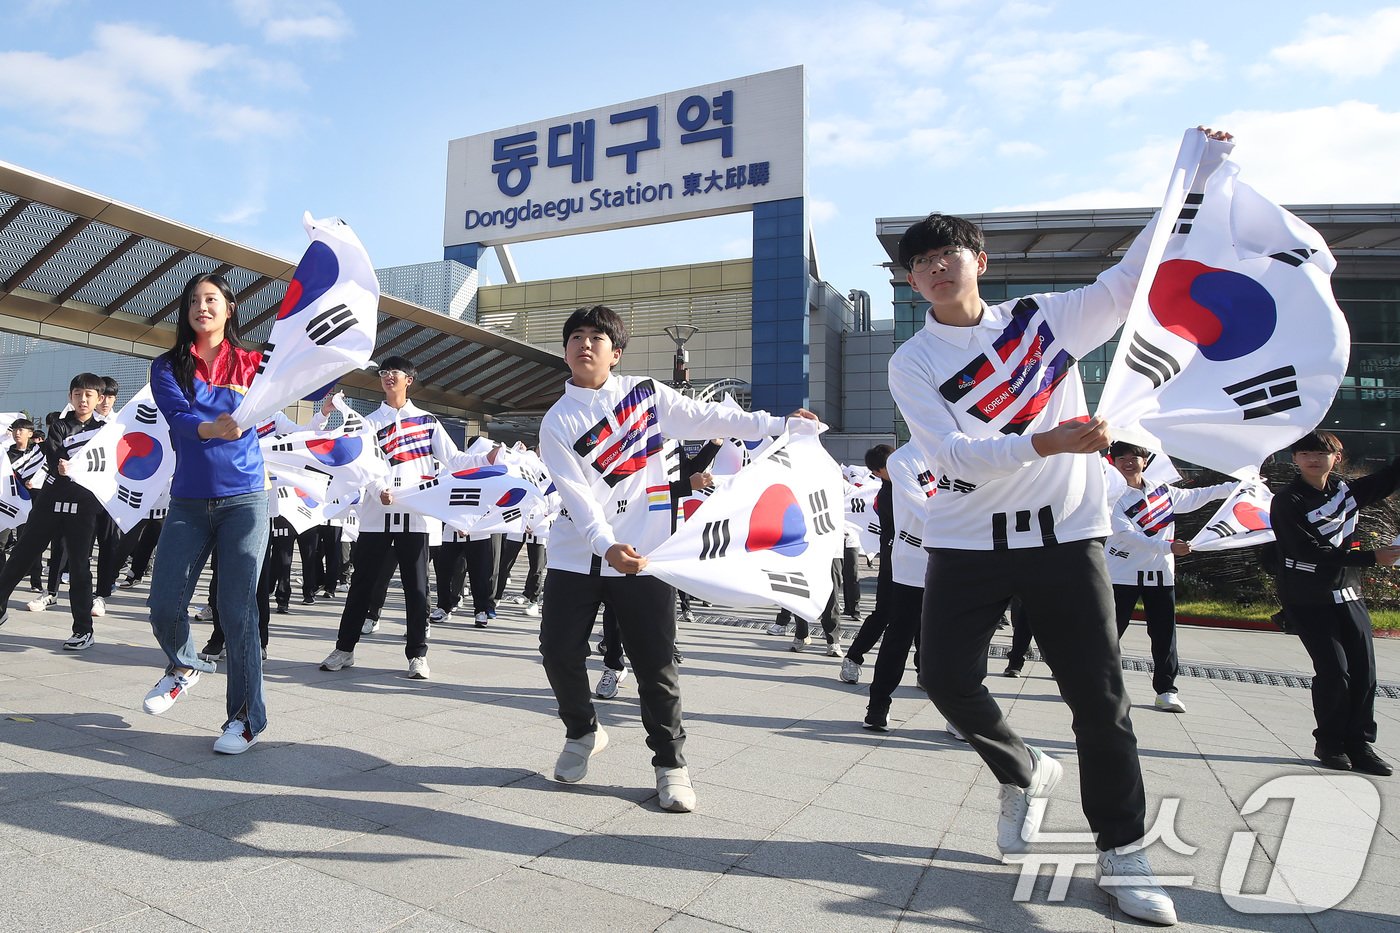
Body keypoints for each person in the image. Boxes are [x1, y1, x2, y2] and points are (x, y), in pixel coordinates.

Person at [885, 131, 1232, 927]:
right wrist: (1045, 439)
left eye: (952, 254)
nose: (939, 267)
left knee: (1099, 699)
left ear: (981, 262)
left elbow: (1132, 277)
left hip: (1067, 536)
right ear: (911, 280)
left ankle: (1123, 850)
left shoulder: (1046, 320)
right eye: (923, 261)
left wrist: (1195, 178)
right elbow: (953, 456)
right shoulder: (912, 362)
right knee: (944, 677)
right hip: (969, 539)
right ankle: (1023, 769)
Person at [538, 304, 819, 813]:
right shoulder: (556, 421)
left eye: (595, 338)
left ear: (615, 353)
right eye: (575, 337)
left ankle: (671, 764)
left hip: (648, 555)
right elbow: (576, 498)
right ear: (565, 350)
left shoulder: (644, 395)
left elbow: (711, 417)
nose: (584, 345)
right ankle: (583, 732)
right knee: (558, 653)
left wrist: (778, 423)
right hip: (579, 554)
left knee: (655, 666)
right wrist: (605, 545)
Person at [140, 271, 271, 755]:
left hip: (246, 500)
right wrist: (214, 429)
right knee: (162, 603)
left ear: (230, 308)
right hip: (189, 501)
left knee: (238, 613)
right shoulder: (169, 365)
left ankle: (244, 720)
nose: (203, 306)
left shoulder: (257, 362)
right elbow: (177, 418)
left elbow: (309, 374)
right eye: (194, 300)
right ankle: (183, 665)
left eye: (212, 299)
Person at [318, 355, 493, 680]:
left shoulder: (427, 422)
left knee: (417, 590)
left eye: (394, 372)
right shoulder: (369, 423)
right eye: (384, 372)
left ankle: (417, 654)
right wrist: (379, 489)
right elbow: (363, 466)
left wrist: (488, 458)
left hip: (416, 518)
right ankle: (345, 648)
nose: (387, 377)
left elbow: (455, 459)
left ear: (409, 379)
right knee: (362, 586)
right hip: (376, 518)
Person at [1270, 431, 1397, 777]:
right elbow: (1304, 550)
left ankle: (1360, 744)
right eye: (1305, 452)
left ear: (1336, 458)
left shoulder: (1346, 492)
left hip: (1348, 594)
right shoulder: (1287, 500)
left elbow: (1390, 477)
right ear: (1294, 459)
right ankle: (1329, 742)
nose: (1313, 459)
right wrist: (1372, 557)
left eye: (1321, 453)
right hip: (1306, 595)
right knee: (1334, 671)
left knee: (1364, 672)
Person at [1105, 442, 1232, 713]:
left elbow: (1197, 496)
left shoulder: (1162, 491)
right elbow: (1124, 534)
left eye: (1134, 457)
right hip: (1121, 574)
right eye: (1122, 458)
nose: (1128, 462)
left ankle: (1166, 690)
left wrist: (1235, 489)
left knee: (1164, 636)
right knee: (1109, 633)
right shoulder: (1111, 494)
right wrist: (1168, 547)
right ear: (1113, 462)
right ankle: (1101, 685)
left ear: (1145, 461)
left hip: (1161, 575)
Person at [0, 374, 107, 648]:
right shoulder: (59, 426)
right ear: (70, 396)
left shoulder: (106, 431)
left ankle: (83, 630)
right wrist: (65, 465)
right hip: (50, 501)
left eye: (89, 395)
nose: (83, 399)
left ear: (98, 398)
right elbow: (56, 454)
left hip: (83, 505)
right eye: (78, 394)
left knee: (80, 568)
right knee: (21, 555)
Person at [841, 444, 895, 683]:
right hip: (894, 561)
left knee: (921, 617)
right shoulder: (884, 495)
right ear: (878, 472)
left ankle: (922, 671)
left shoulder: (910, 484)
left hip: (920, 562)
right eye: (890, 465)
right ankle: (853, 658)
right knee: (883, 613)